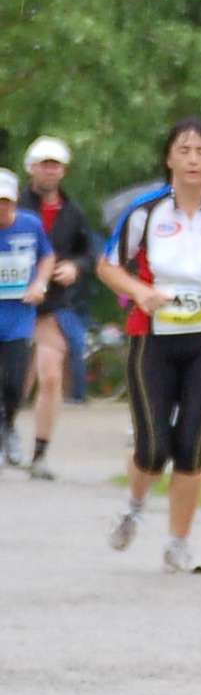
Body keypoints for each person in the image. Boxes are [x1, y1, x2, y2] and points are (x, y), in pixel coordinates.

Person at [97, 116, 201, 573]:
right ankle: (134, 506)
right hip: (153, 338)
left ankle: (178, 544)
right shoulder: (146, 212)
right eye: (184, 150)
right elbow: (107, 266)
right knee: (154, 447)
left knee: (191, 446)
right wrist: (139, 292)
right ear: (169, 158)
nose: (193, 159)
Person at [17, 136, 95, 476]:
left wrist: (75, 267)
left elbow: (88, 252)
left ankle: (40, 452)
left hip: (51, 306)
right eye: (44, 165)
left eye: (56, 165)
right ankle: (8, 434)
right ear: (31, 168)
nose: (50, 171)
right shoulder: (14, 205)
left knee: (50, 377)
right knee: (15, 380)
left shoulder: (73, 212)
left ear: (63, 171)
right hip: (13, 303)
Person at [0, 169, 54, 474]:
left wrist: (40, 284)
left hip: (18, 318)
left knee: (14, 383)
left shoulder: (30, 225)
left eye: (5, 202)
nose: (1, 208)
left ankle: (7, 425)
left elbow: (47, 256)